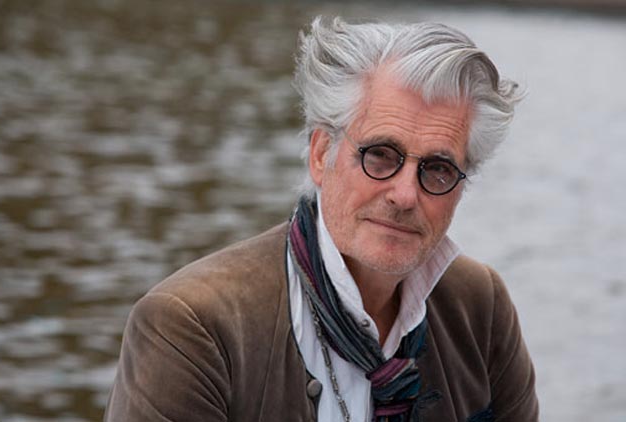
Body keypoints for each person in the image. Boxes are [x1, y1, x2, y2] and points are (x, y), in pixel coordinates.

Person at [104, 16, 538, 422]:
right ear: (320, 154)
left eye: (438, 169)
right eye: (380, 155)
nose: (405, 195)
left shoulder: (481, 307)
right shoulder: (192, 327)